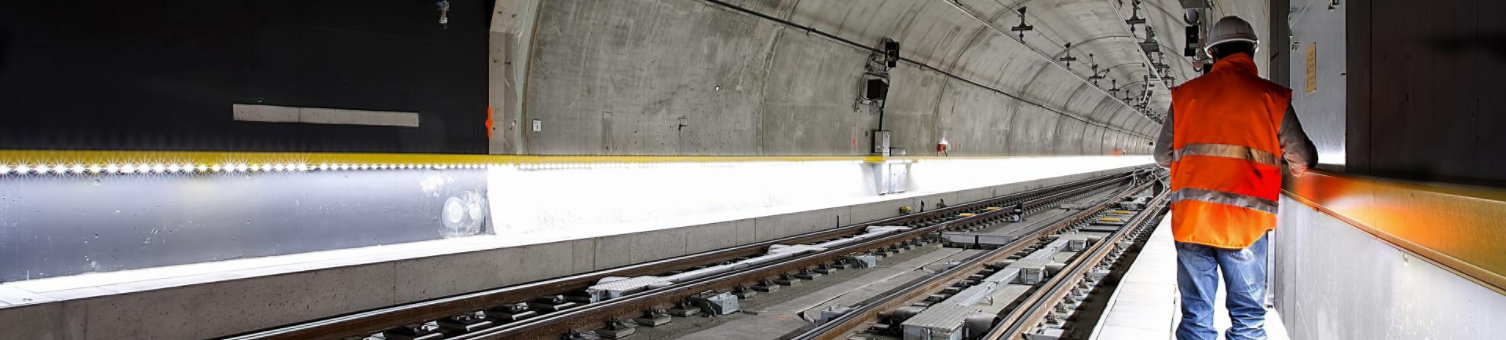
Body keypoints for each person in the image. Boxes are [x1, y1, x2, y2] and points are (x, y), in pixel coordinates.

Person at [1152, 16, 1318, 340]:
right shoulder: (1271, 97)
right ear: (1252, 52)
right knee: (1248, 321)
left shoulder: (1185, 97)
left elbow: (1161, 155)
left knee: (1196, 319)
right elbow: (1303, 157)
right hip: (1245, 226)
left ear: (1212, 55)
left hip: (1194, 223)